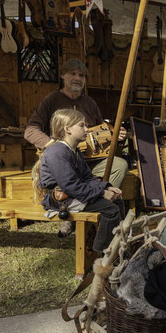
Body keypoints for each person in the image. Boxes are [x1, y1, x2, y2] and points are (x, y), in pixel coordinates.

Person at [25, 59, 128, 236]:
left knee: (120, 165)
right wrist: (51, 144)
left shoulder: (89, 103)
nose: (77, 78)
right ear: (63, 76)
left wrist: (114, 134)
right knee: (69, 181)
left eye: (81, 75)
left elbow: (101, 129)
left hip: (88, 160)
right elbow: (30, 130)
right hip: (63, 162)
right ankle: (72, 212)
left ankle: (99, 209)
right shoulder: (51, 100)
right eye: (72, 74)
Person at [34, 108, 125, 255]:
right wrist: (101, 193)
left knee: (117, 201)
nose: (87, 129)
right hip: (61, 200)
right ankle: (102, 252)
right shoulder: (57, 151)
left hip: (73, 194)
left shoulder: (73, 150)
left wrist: (107, 188)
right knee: (111, 210)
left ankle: (120, 243)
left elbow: (87, 178)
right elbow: (69, 185)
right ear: (67, 129)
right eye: (82, 125)